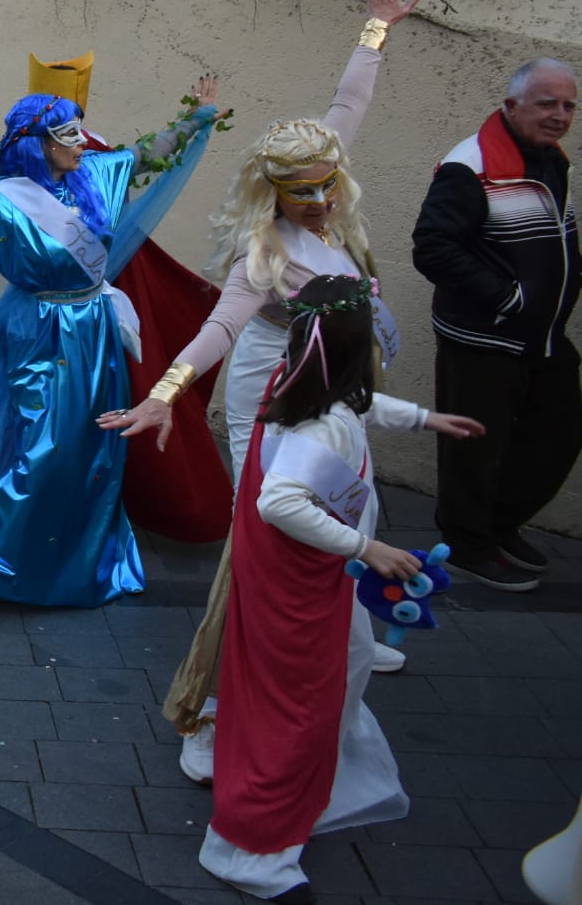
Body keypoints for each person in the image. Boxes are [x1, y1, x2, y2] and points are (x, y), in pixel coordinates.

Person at [94, 0, 422, 782]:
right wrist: (165, 395)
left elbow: (349, 106)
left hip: (336, 391)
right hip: (268, 395)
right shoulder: (265, 252)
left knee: (347, 502)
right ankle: (205, 711)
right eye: (303, 191)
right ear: (274, 191)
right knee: (261, 542)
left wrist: (376, 26)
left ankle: (345, 628)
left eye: (326, 186)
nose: (319, 200)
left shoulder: (331, 202)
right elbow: (218, 330)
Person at [0, 77, 227, 619]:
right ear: (39, 144)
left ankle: (85, 561)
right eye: (69, 134)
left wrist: (199, 116)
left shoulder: (95, 176)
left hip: (95, 327)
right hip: (40, 330)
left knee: (94, 444)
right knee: (36, 444)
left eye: (79, 132)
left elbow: (151, 153)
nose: (82, 142)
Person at [198, 274, 482, 900]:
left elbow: (360, 404)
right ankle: (248, 851)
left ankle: (314, 776)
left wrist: (424, 419)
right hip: (304, 583)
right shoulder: (319, 421)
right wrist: (369, 548)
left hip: (312, 577)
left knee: (346, 667)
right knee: (300, 704)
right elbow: (279, 502)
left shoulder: (304, 382)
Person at [413, 56, 582, 592]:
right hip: (483, 337)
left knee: (558, 435)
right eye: (547, 103)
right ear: (511, 106)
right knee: (474, 447)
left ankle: (497, 526)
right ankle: (466, 545)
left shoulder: (552, 159)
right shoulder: (471, 165)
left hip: (544, 337)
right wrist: (509, 299)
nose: (560, 115)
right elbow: (433, 249)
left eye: (569, 105)